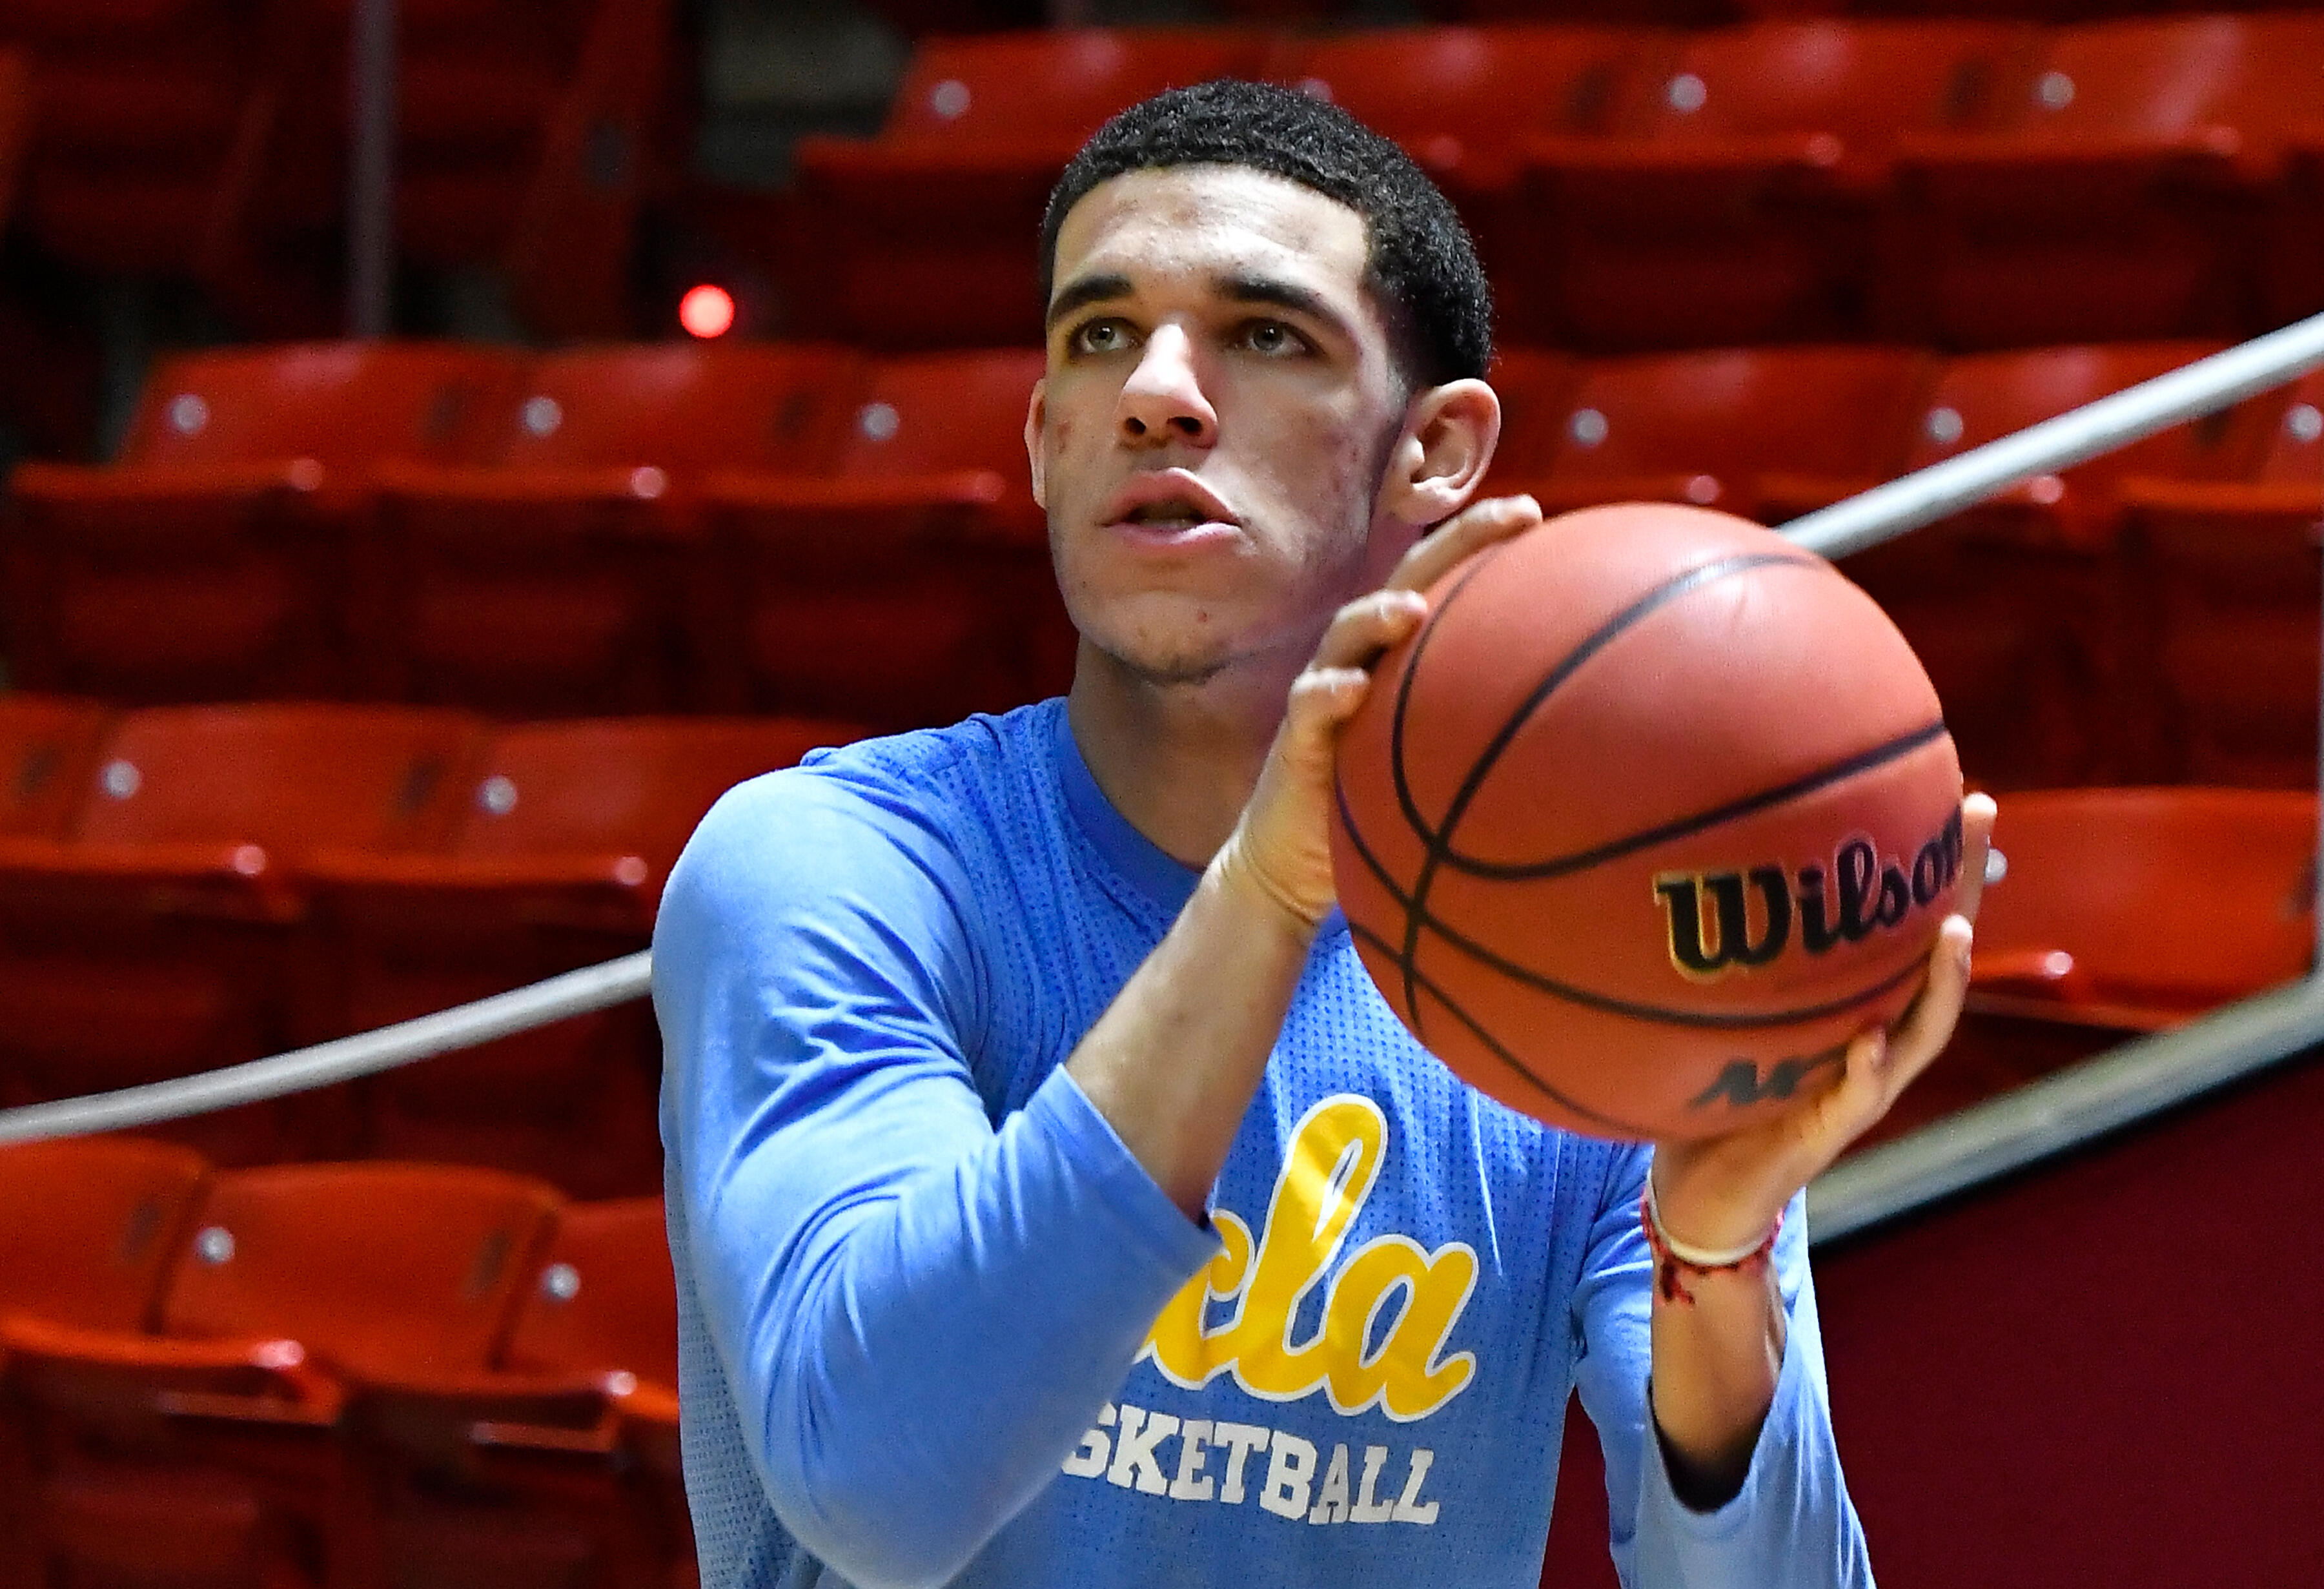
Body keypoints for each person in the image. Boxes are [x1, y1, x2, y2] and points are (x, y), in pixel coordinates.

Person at [653, 79, 1996, 1589]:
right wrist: (1269, 888)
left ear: (1437, 453)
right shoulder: (834, 869)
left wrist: (1716, 1257)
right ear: (1041, 442)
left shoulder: (1588, 949)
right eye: (1099, 335)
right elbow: (878, 1487)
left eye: (1265, 334)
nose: (1158, 390)